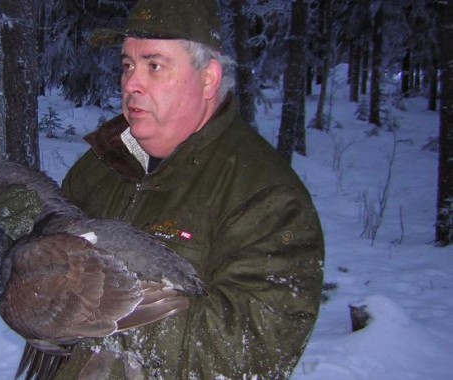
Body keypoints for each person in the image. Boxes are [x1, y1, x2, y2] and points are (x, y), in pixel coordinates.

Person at [56, 0, 325, 378]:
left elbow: (249, 351)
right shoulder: (100, 166)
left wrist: (98, 307)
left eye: (154, 65)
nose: (131, 82)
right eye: (127, 65)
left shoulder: (265, 195)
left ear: (208, 78)